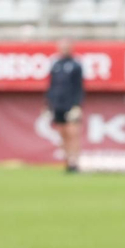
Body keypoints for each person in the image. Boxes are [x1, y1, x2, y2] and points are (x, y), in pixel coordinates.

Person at [45, 40, 85, 172]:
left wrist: (77, 105)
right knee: (62, 134)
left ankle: (75, 162)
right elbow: (51, 86)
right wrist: (48, 104)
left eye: (66, 47)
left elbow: (79, 87)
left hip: (71, 105)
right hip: (58, 105)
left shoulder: (76, 65)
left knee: (72, 133)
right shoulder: (55, 64)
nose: (64, 49)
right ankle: (67, 161)